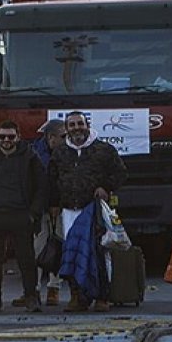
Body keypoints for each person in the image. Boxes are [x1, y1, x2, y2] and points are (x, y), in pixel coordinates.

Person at [47, 111, 127, 312]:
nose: (76, 128)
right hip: (68, 211)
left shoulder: (104, 149)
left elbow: (120, 173)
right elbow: (51, 179)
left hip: (94, 210)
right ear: (66, 129)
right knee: (72, 254)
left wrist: (106, 188)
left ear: (87, 125)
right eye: (72, 125)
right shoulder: (60, 152)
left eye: (79, 123)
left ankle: (102, 297)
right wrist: (53, 204)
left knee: (98, 254)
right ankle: (78, 297)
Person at [0, 120, 49, 313]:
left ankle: (31, 296)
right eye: (2, 137)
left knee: (27, 259)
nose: (6, 140)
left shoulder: (30, 157)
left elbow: (42, 186)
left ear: (18, 137)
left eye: (11, 137)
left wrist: (33, 213)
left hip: (21, 215)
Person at [31, 119, 66, 306]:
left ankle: (54, 287)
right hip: (42, 208)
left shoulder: (38, 152)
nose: (65, 139)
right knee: (39, 246)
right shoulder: (36, 155)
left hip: (58, 206)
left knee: (57, 246)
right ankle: (34, 288)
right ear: (51, 137)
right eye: (63, 136)